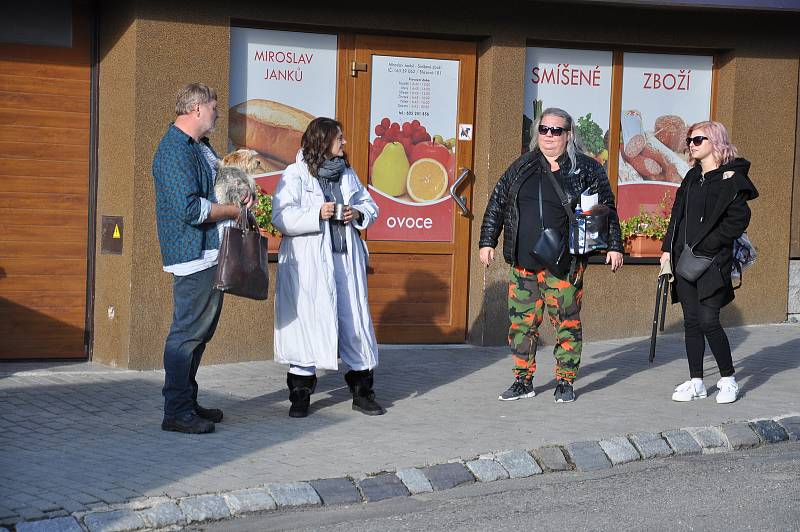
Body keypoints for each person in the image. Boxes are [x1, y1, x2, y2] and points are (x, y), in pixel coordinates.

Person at [479, 107, 623, 403]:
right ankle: (522, 380)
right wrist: (487, 241)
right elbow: (498, 202)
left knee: (566, 324)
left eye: (556, 130)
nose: (548, 136)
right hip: (523, 263)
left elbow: (606, 209)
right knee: (521, 325)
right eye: (543, 129)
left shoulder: (586, 168)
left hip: (563, 264)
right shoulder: (522, 166)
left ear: (568, 135)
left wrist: (614, 246)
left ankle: (566, 381)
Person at [152, 83, 253, 434]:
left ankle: (187, 402)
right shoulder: (175, 150)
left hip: (210, 252)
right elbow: (188, 208)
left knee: (199, 333)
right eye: (213, 107)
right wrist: (231, 211)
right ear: (196, 109)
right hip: (193, 254)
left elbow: (217, 187)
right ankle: (176, 411)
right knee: (186, 334)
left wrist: (242, 198)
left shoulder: (201, 147)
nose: (217, 113)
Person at [272, 117, 384, 418]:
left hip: (344, 259)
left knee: (354, 320)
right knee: (307, 324)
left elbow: (371, 206)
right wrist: (315, 213)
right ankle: (300, 395)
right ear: (322, 142)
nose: (344, 143)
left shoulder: (347, 173)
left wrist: (356, 212)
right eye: (339, 138)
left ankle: (362, 392)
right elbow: (280, 216)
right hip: (309, 263)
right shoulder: (295, 174)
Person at [661, 121, 757, 404]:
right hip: (685, 260)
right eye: (690, 140)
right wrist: (667, 250)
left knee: (708, 320)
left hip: (713, 262)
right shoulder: (691, 177)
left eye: (698, 139)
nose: (691, 144)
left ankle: (728, 379)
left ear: (715, 142)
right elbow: (676, 215)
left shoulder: (732, 178)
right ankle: (697, 382)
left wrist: (711, 245)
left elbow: (738, 220)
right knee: (691, 322)